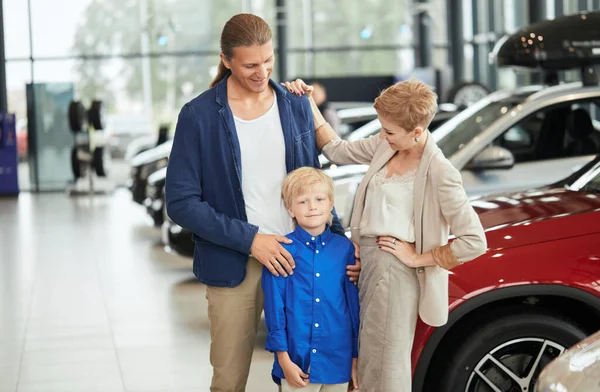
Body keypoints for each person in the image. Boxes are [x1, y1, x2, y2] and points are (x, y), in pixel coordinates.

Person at [164, 14, 357, 392]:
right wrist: (252, 240)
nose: (262, 71)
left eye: (268, 61)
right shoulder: (199, 116)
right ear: (226, 60)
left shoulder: (295, 105)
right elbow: (181, 202)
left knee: (309, 372)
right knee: (230, 376)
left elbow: (312, 183)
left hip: (302, 259)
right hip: (235, 263)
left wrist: (342, 245)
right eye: (251, 64)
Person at [282, 78, 487, 391]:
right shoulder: (385, 146)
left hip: (396, 275)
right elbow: (337, 150)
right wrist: (309, 101)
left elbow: (474, 240)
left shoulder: (439, 171)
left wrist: (418, 257)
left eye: (390, 131)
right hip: (366, 266)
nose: (383, 135)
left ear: (417, 132)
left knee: (386, 368)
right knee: (366, 364)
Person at [262, 167, 359, 392]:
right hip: (296, 361)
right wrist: (283, 360)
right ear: (290, 209)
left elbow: (354, 308)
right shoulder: (280, 251)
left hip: (338, 357)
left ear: (330, 203)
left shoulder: (345, 249)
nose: (312, 206)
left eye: (319, 199)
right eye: (303, 201)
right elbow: (274, 309)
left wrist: (355, 355)